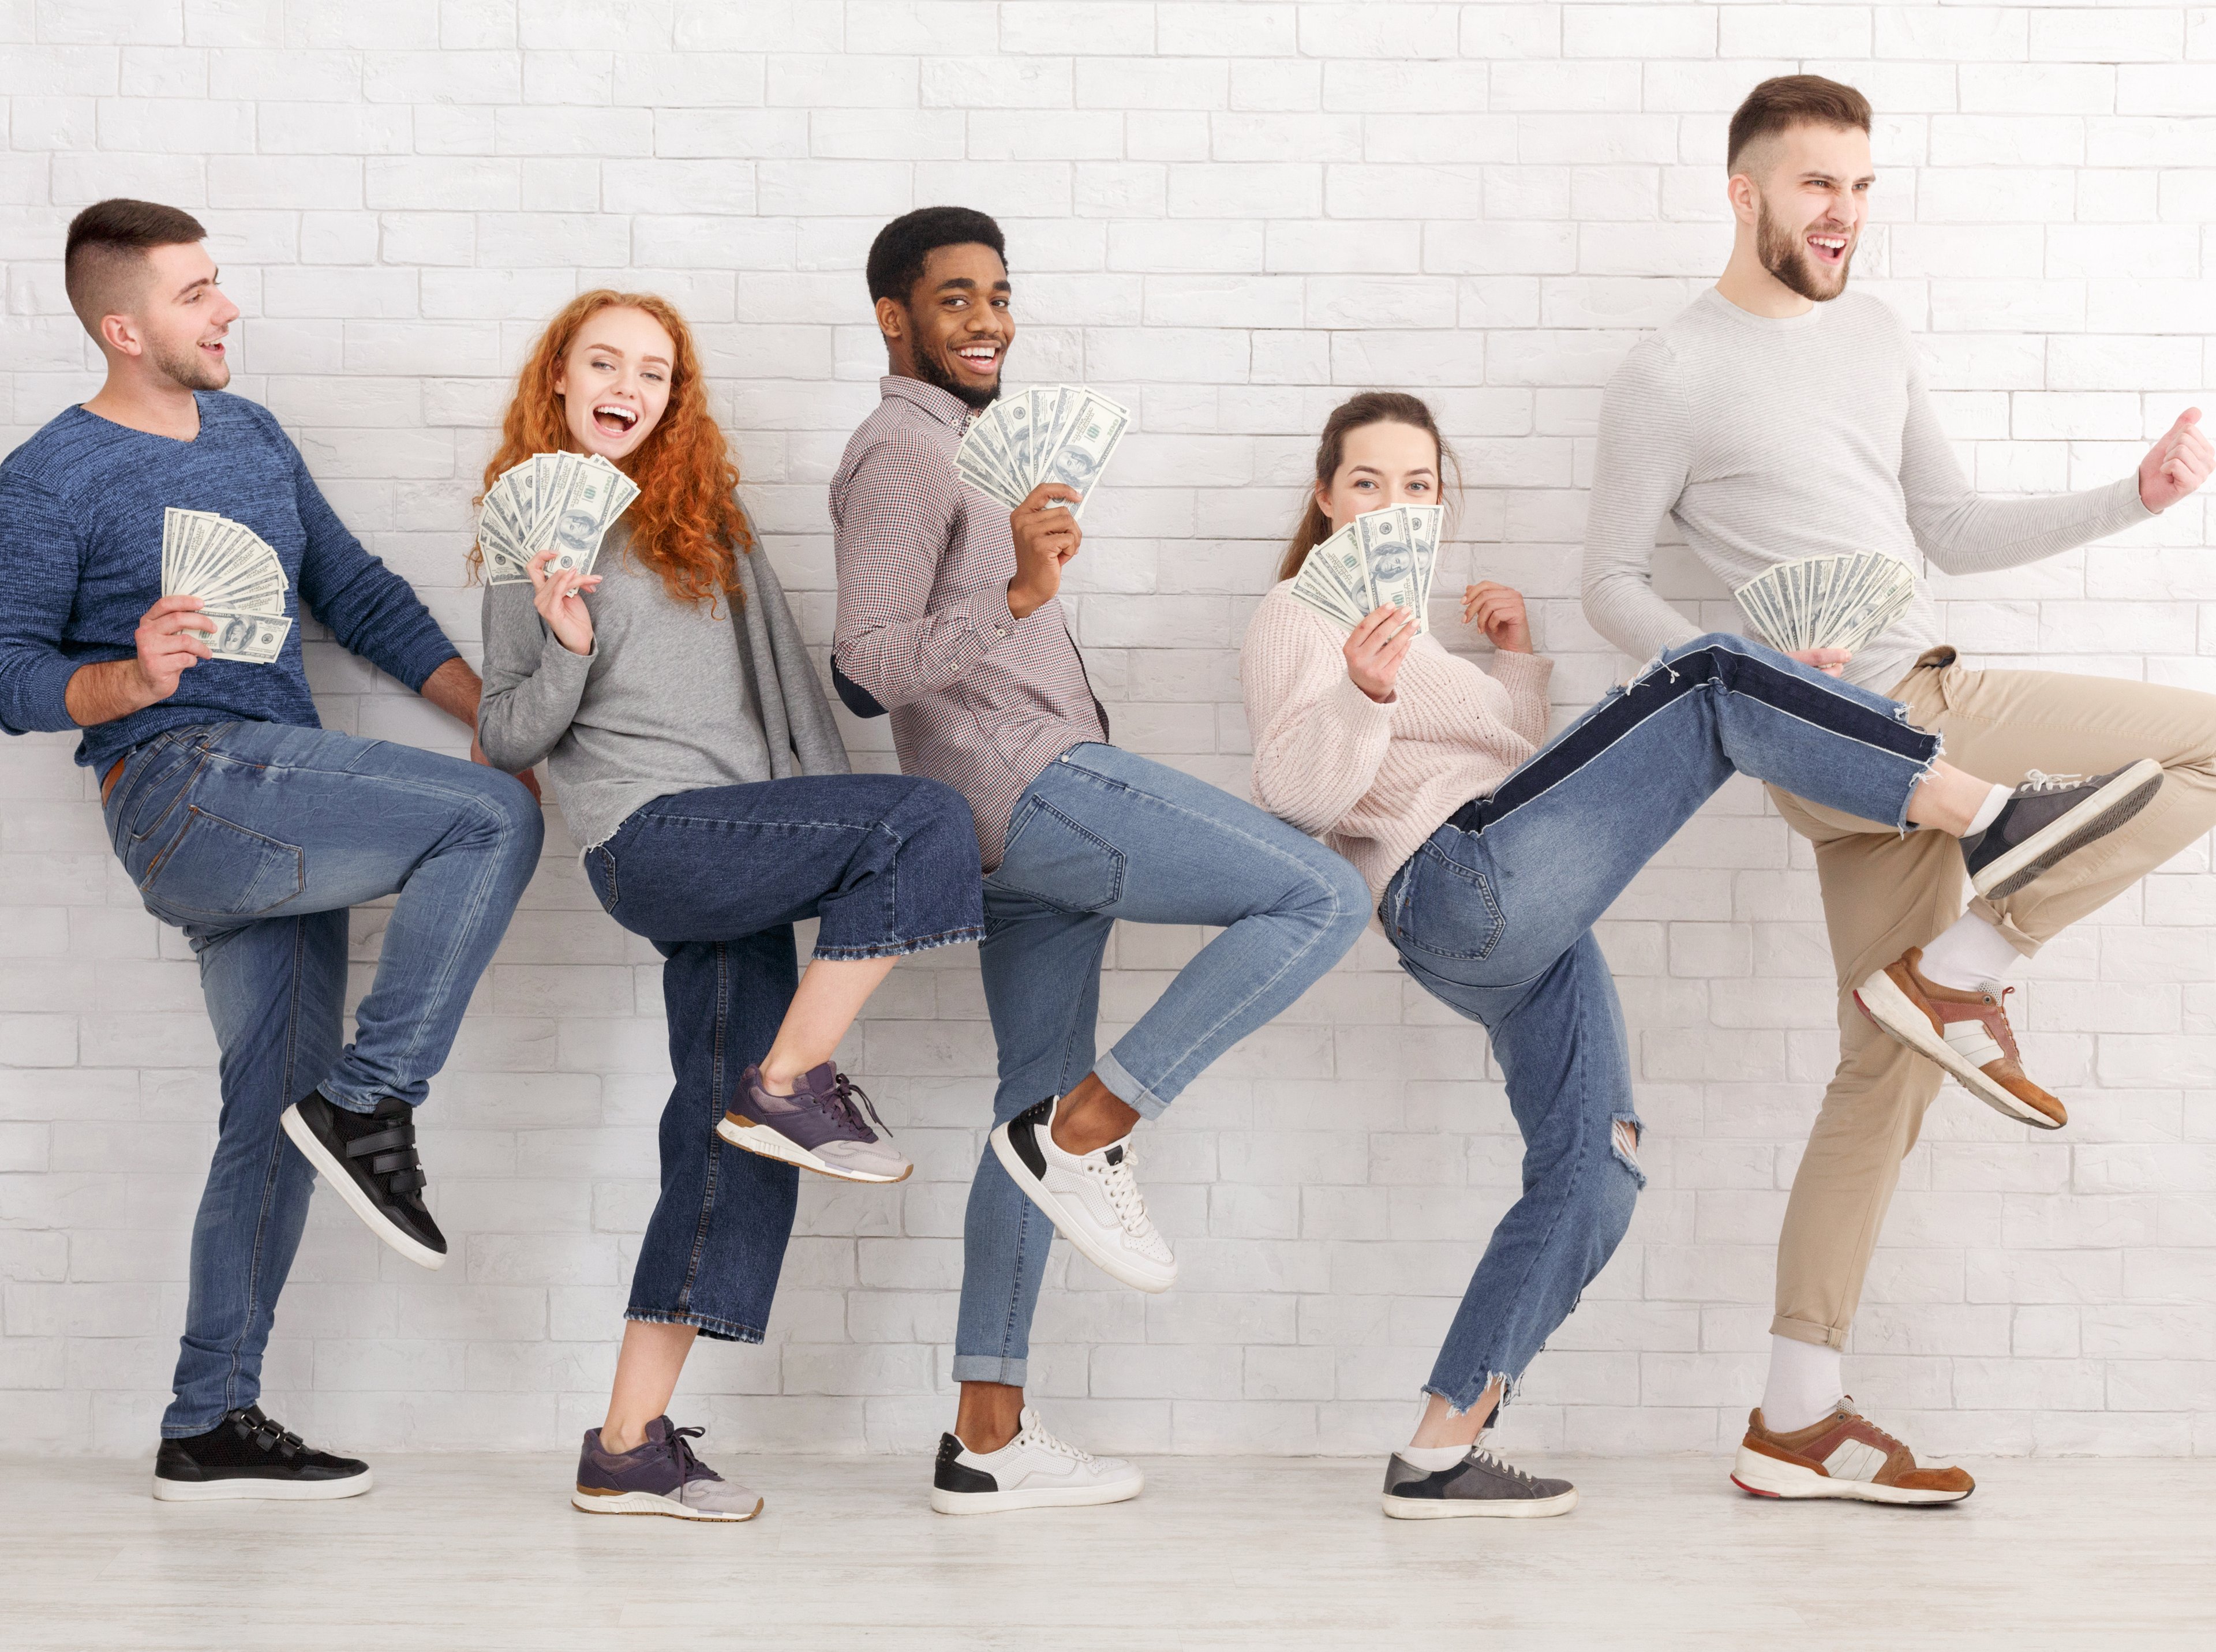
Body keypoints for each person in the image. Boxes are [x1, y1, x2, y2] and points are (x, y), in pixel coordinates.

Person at [1242, 391, 2151, 1518]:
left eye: (1418, 486)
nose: (1393, 505)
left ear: (1441, 503)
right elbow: (1296, 792)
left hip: (1506, 914)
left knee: (1599, 1166)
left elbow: (1516, 760)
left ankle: (1439, 1450)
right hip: (1455, 880)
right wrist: (1363, 689)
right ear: (1328, 498)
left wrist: (1517, 661)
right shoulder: (1299, 610)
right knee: (1715, 670)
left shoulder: (1414, 630)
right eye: (1368, 484)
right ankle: (1996, 818)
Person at [1580, 74, 2216, 1503]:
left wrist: (2138, 497)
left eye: (1862, 188)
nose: (1845, 215)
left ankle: (1792, 1418)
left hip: (1924, 700)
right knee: (2207, 748)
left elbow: (1948, 525)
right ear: (1744, 194)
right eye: (1818, 187)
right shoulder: (1669, 371)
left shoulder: (1873, 333)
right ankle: (1962, 970)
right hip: (1841, 724)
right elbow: (1607, 586)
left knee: (1881, 1072)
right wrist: (1753, 665)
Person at [0, 199, 544, 1501]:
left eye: (219, 283)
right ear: (124, 328)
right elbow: (7, 670)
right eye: (196, 295)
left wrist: (502, 718)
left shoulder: (250, 435)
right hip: (181, 784)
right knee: (488, 822)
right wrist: (125, 683)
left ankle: (210, 1420)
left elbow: (355, 596)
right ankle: (377, 1099)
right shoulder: (50, 476)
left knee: (269, 1118)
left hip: (283, 807)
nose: (228, 308)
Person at [832, 207, 1372, 1514]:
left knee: (1022, 1098)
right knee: (1319, 891)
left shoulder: (969, 449)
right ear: (894, 318)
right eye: (953, 299)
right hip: (1031, 789)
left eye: (1000, 296)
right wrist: (1014, 598)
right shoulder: (902, 454)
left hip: (1012, 822)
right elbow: (865, 661)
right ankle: (1097, 1129)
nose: (986, 321)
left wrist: (1019, 587)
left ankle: (988, 1437)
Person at [476, 291, 985, 1522]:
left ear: (673, 397)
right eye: (604, 361)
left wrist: (838, 833)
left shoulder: (710, 523)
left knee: (725, 1154)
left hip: (746, 842)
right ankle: (795, 1081)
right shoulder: (527, 540)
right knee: (926, 819)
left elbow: (789, 703)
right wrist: (566, 639)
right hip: (644, 842)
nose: (629, 383)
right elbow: (506, 732)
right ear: (560, 380)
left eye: (653, 369)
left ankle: (627, 1443)